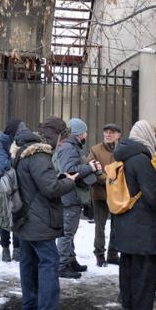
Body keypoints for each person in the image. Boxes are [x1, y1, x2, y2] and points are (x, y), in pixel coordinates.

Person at [11, 126, 78, 310]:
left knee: (28, 262)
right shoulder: (39, 156)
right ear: (55, 137)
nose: (63, 143)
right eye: (62, 138)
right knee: (49, 262)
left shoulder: (21, 153)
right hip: (38, 220)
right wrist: (70, 181)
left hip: (24, 218)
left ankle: (30, 309)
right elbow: (51, 189)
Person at [112, 120, 156, 310]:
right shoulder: (141, 159)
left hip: (125, 221)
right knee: (145, 270)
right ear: (146, 135)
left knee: (128, 269)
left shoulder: (123, 157)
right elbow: (152, 195)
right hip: (144, 225)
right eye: (153, 134)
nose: (155, 138)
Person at [55, 117, 102, 278]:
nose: (86, 135)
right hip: (69, 196)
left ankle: (70, 260)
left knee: (70, 231)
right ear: (78, 134)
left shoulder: (71, 146)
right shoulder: (69, 148)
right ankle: (62, 265)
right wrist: (89, 167)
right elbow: (69, 170)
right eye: (84, 132)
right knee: (67, 232)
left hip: (71, 196)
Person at [88, 123, 122, 267]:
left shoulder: (123, 150)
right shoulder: (95, 150)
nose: (108, 134)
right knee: (99, 226)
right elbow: (93, 169)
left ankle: (113, 254)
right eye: (106, 132)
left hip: (118, 195)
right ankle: (99, 254)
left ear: (118, 135)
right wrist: (109, 180)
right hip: (100, 193)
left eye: (112, 132)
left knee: (117, 225)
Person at [0, 119, 25, 263]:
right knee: (5, 216)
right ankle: (5, 247)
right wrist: (16, 160)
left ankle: (17, 249)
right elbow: (3, 164)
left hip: (18, 183)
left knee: (17, 214)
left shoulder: (18, 142)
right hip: (4, 183)